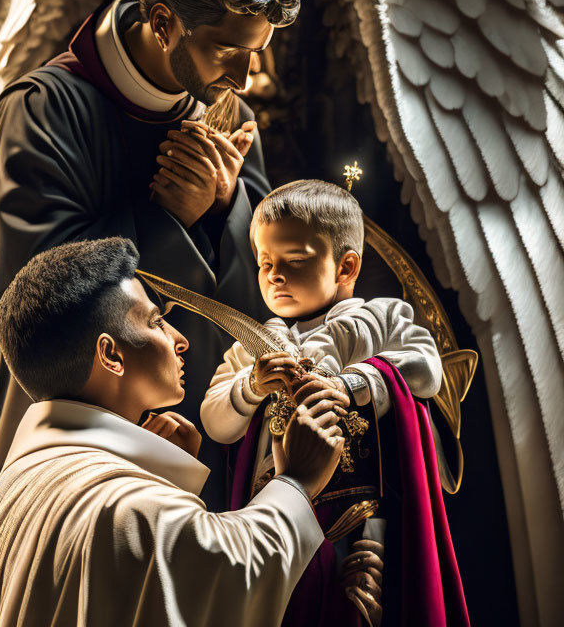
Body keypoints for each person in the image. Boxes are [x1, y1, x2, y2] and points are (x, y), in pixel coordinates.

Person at [0, 0, 306, 625]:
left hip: (187, 425)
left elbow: (261, 288)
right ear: (161, 21)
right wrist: (169, 218)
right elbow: (43, 302)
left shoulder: (228, 114)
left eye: (259, 53)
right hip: (61, 448)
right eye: (230, 52)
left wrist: (222, 213)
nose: (248, 80)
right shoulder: (44, 110)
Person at [0, 237, 347, 627]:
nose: (180, 340)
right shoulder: (125, 507)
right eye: (157, 322)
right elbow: (228, 574)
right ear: (111, 354)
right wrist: (296, 481)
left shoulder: (16, 487)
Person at [200, 179, 469, 626]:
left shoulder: (383, 318)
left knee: (362, 605)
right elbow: (215, 422)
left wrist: (354, 383)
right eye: (265, 262)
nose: (274, 275)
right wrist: (251, 385)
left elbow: (426, 369)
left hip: (364, 510)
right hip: (278, 511)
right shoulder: (254, 345)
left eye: (295, 260)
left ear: (346, 267)